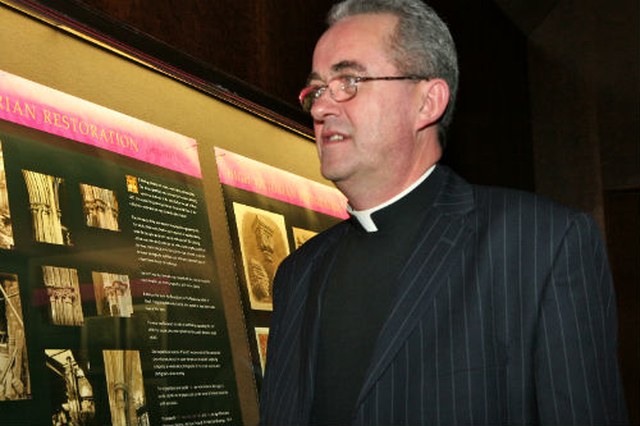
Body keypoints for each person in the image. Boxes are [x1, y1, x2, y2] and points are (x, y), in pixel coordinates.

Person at [259, 0, 628, 425]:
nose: (322, 107)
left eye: (349, 80)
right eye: (318, 89)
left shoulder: (541, 246)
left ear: (427, 102)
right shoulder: (296, 273)